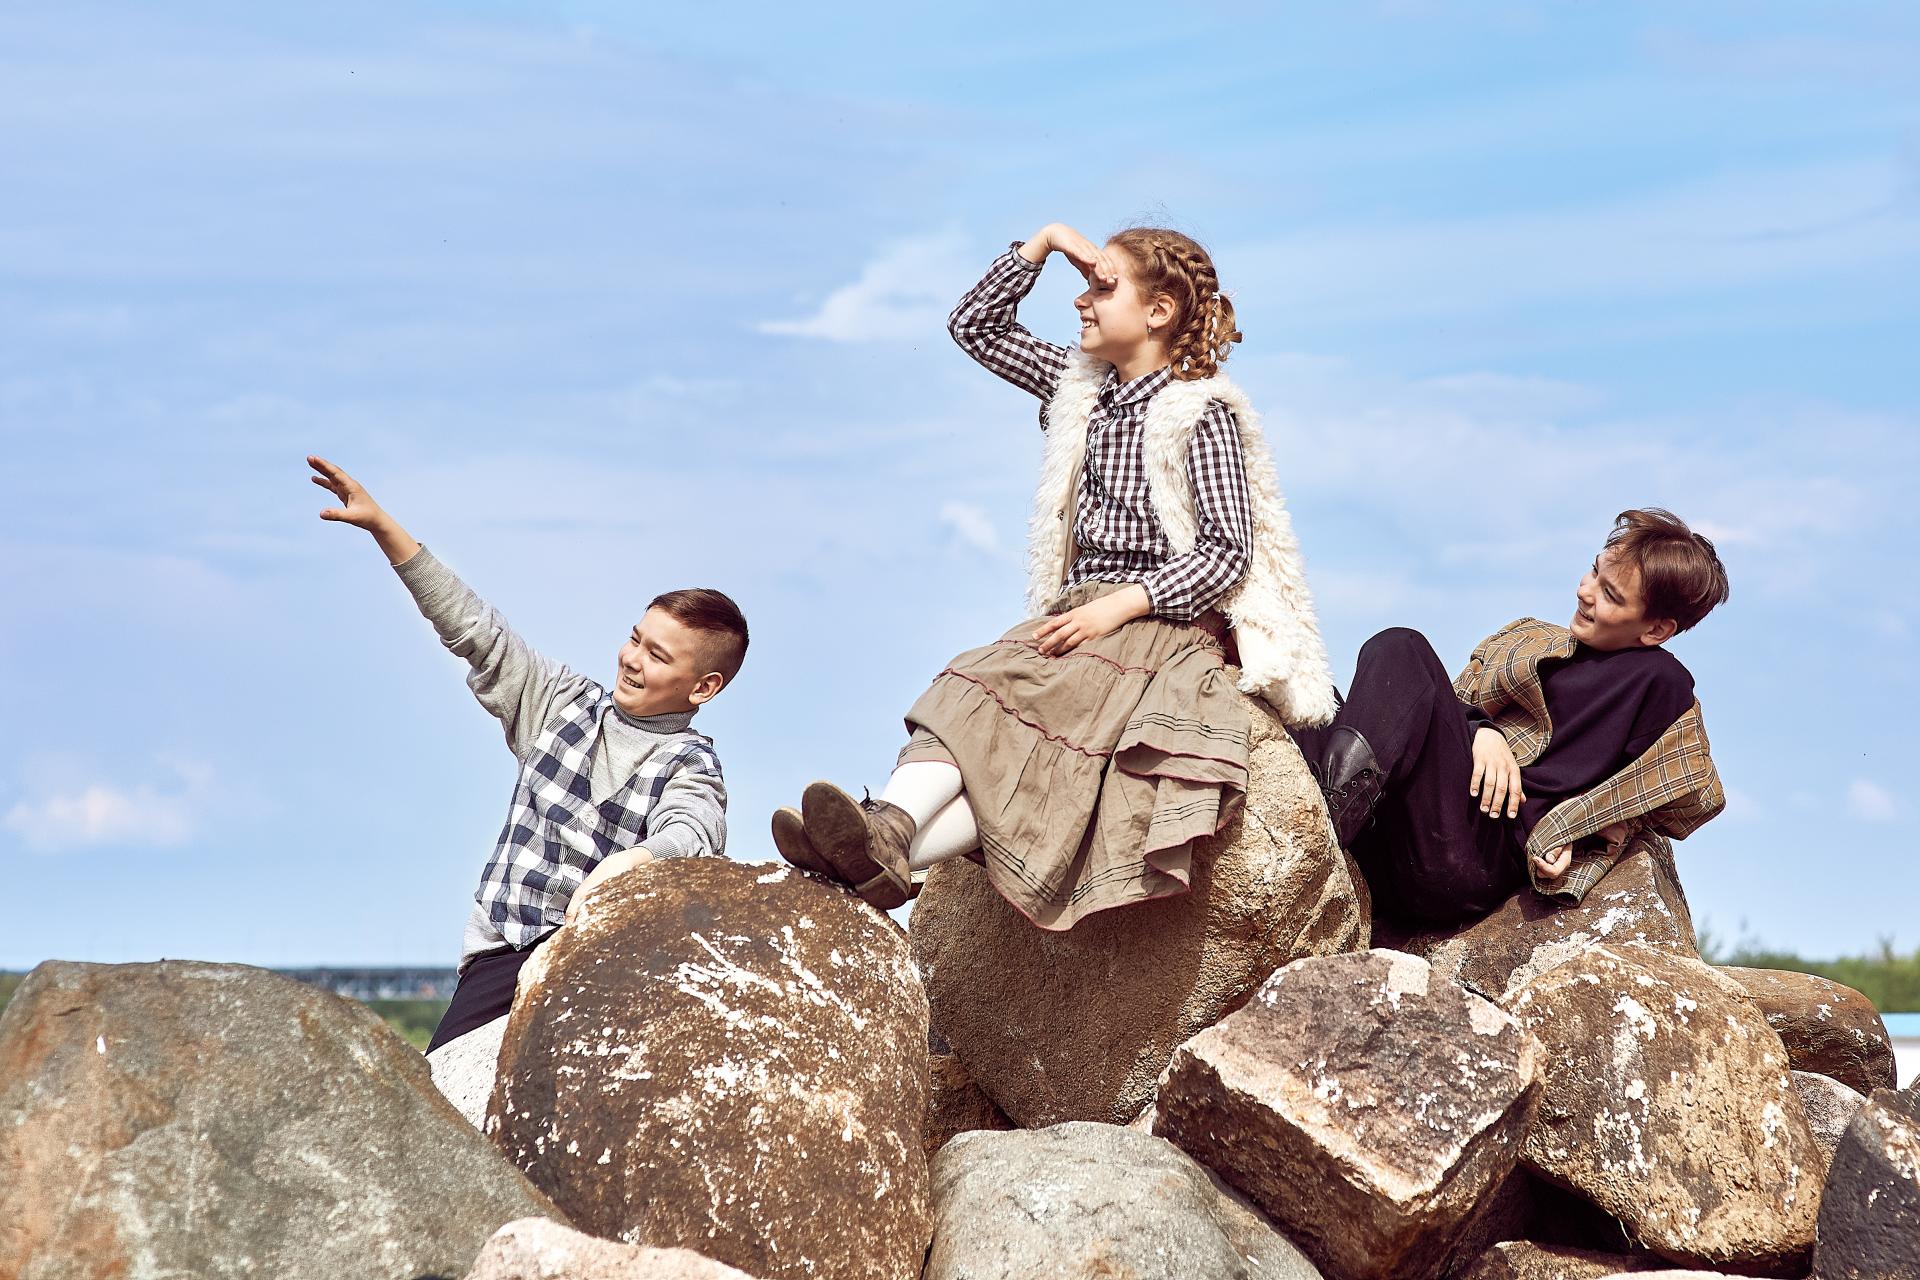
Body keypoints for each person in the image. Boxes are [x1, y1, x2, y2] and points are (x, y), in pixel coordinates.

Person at [771, 223, 1335, 930]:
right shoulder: (1081, 390)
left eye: (1102, 287)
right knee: (971, 692)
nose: (1080, 300)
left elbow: (1226, 553)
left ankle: (884, 847)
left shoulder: (1201, 411)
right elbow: (975, 327)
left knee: (1021, 737)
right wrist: (1043, 244)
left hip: (1154, 626)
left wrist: (1121, 607)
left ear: (1159, 311)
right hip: (1077, 613)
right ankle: (886, 838)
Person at [307, 456, 748, 1050]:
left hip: (601, 965)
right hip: (504, 957)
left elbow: (694, 832)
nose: (631, 659)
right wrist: (384, 527)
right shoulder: (558, 701)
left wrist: (628, 865)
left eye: (658, 656)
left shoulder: (690, 764)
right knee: (436, 1093)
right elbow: (476, 631)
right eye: (635, 639)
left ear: (703, 687)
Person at [1295, 508, 1729, 930]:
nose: (1586, 591)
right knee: (1309, 693)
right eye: (1594, 571)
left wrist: (1585, 828)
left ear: (1655, 630)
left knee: (1402, 646)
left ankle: (1322, 832)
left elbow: (1694, 790)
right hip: (1396, 830)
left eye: (1611, 595)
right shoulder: (1530, 640)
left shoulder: (1660, 682)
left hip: (1469, 850)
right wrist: (1482, 731)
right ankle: (1332, 814)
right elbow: (1429, 710)